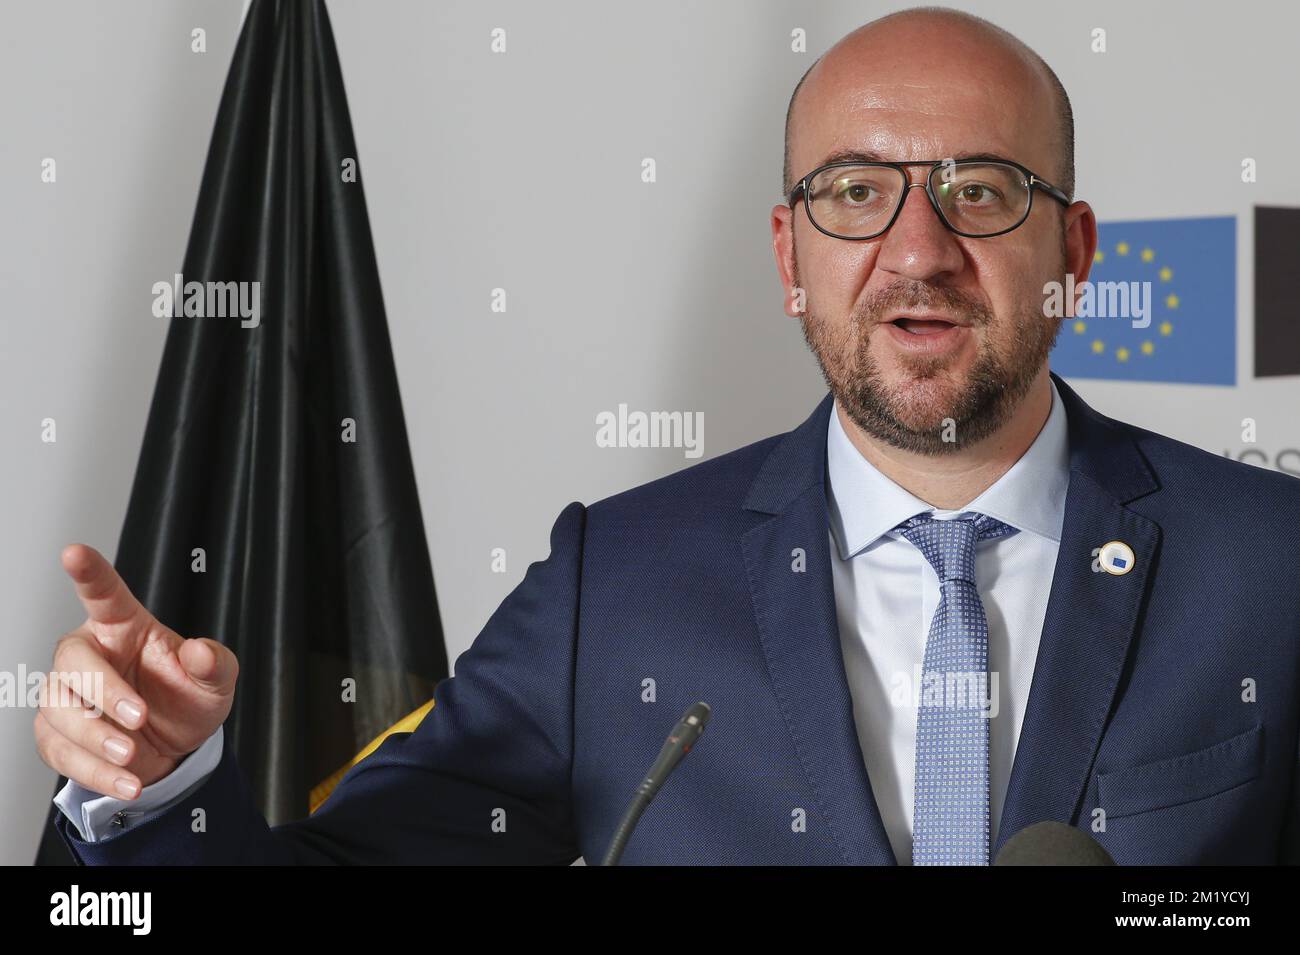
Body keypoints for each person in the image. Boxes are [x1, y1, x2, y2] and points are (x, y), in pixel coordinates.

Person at [37, 7, 1300, 865]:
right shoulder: (616, 588)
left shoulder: (1271, 564)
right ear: (788, 254)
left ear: (1071, 253)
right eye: (854, 193)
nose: (919, 250)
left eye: (980, 191)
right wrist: (161, 787)